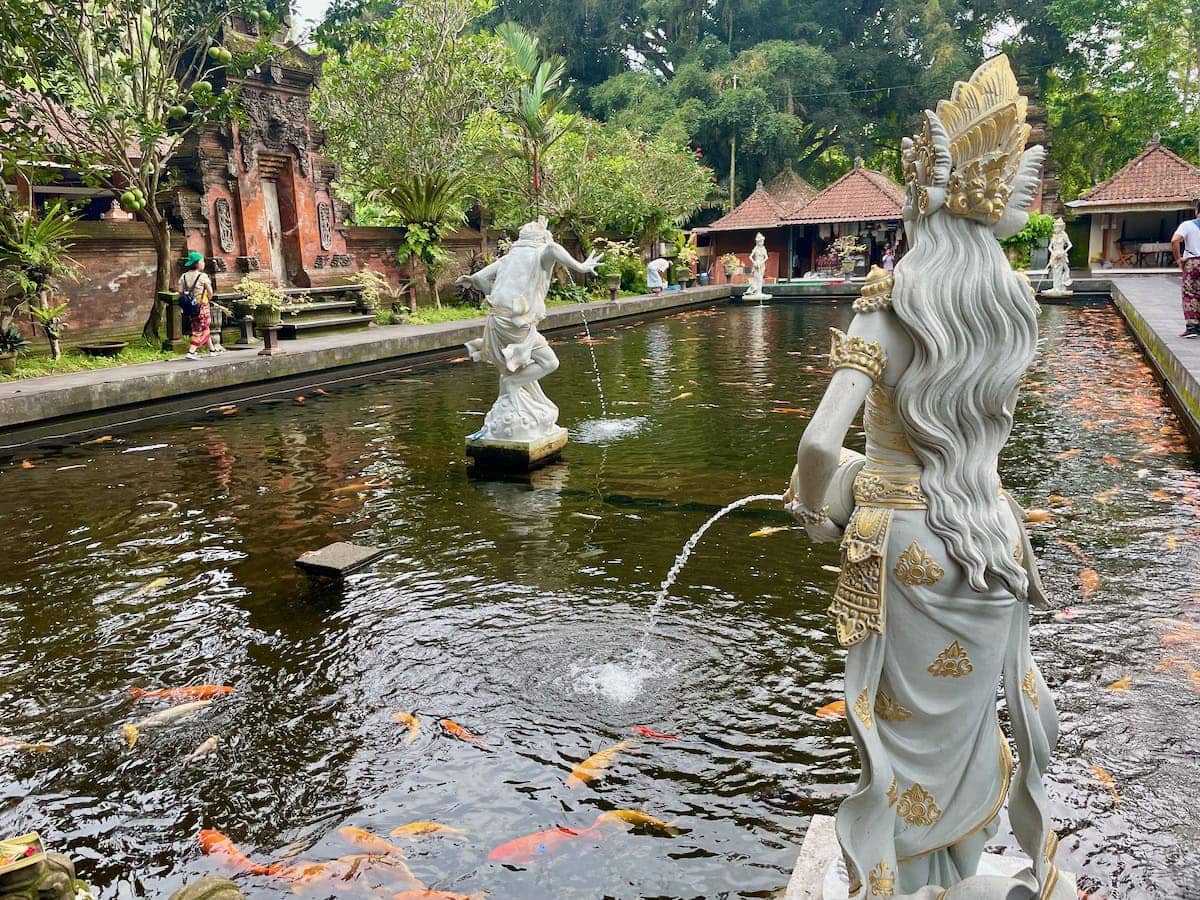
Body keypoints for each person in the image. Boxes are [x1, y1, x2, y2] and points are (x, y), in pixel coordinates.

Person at [785, 56, 1068, 899]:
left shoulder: (891, 296)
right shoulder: (1006, 303)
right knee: (969, 734)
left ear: (921, 195)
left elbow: (815, 441)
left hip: (901, 543)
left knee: (901, 739)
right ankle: (962, 874)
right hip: (988, 537)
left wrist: (813, 504)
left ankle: (911, 887)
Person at [179, 252, 223, 360]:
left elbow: (180, 291)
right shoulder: (202, 276)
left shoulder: (183, 276)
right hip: (202, 305)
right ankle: (191, 351)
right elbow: (210, 291)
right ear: (197, 263)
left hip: (190, 307)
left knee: (201, 326)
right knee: (200, 328)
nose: (203, 263)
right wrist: (208, 298)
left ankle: (212, 350)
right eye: (202, 261)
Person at [1170, 201, 1200, 337]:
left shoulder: (1188, 225)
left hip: (1193, 262)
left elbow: (1175, 240)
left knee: (1190, 294)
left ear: (1196, 211)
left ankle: (1192, 327)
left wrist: (1178, 259)